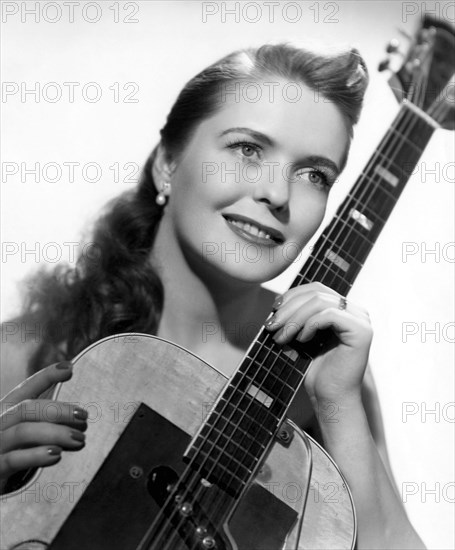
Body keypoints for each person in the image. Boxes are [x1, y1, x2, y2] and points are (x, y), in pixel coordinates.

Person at [0, 42, 425, 549]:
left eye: (314, 174)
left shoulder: (325, 371)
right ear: (167, 164)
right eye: (247, 149)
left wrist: (338, 402)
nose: (278, 195)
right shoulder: (31, 351)